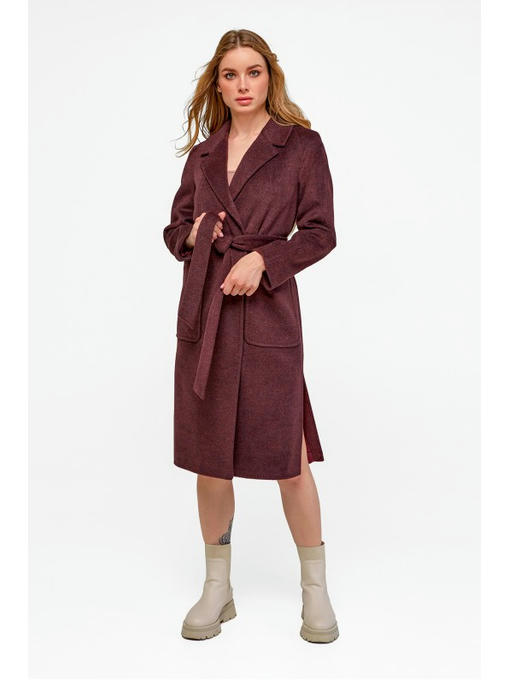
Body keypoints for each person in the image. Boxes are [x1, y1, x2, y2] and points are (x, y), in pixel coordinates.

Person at [163, 29, 339, 643]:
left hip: (268, 314)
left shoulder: (301, 146)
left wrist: (265, 260)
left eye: (254, 72)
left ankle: (315, 590)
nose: (243, 85)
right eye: (231, 74)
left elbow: (320, 231)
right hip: (207, 313)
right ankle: (218, 588)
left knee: (290, 459)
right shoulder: (203, 155)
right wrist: (196, 235)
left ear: (270, 78)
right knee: (210, 461)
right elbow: (175, 229)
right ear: (217, 84)